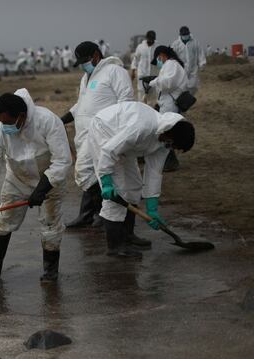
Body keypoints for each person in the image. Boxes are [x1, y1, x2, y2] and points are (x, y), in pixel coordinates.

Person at [0, 88, 72, 286]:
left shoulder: (48, 121)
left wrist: (42, 189)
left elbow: (62, 161)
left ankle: (50, 273)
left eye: (7, 122)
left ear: (21, 116)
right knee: (3, 222)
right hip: (17, 179)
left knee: (50, 225)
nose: (3, 126)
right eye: (1, 122)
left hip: (50, 180)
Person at [88, 101, 195, 258]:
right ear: (168, 133)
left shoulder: (165, 141)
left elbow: (154, 172)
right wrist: (105, 181)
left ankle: (127, 235)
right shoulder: (142, 128)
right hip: (104, 131)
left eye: (172, 146)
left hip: (125, 143)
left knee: (134, 186)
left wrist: (152, 208)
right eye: (171, 143)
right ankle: (115, 246)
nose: (169, 147)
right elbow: (109, 150)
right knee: (118, 193)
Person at [61, 42, 139, 243]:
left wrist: (120, 133)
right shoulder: (86, 77)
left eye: (84, 61)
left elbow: (126, 101)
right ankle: (97, 215)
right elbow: (81, 104)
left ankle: (107, 216)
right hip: (84, 134)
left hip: (104, 133)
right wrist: (62, 120)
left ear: (96, 55)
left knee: (90, 172)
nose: (82, 65)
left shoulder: (115, 71)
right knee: (89, 173)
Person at [148, 46, 188, 172]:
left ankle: (171, 161)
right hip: (168, 103)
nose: (159, 61)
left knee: (166, 131)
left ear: (162, 54)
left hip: (170, 104)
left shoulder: (171, 64)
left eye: (159, 58)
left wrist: (153, 82)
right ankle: (169, 160)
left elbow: (168, 83)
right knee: (166, 131)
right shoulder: (172, 65)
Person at [170, 26, 206, 95]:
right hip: (181, 70)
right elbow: (172, 56)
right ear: (180, 35)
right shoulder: (176, 44)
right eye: (183, 35)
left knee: (193, 86)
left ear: (189, 33)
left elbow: (200, 53)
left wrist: (202, 63)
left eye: (186, 34)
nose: (185, 36)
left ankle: (189, 99)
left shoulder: (195, 42)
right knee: (181, 87)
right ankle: (183, 102)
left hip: (193, 69)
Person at [131, 30, 159, 104]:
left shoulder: (157, 47)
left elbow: (160, 61)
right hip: (142, 73)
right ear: (146, 38)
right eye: (149, 39)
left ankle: (150, 109)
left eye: (152, 39)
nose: (151, 41)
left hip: (153, 74)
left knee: (152, 93)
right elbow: (136, 59)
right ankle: (141, 108)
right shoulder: (140, 47)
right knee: (141, 92)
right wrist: (133, 70)